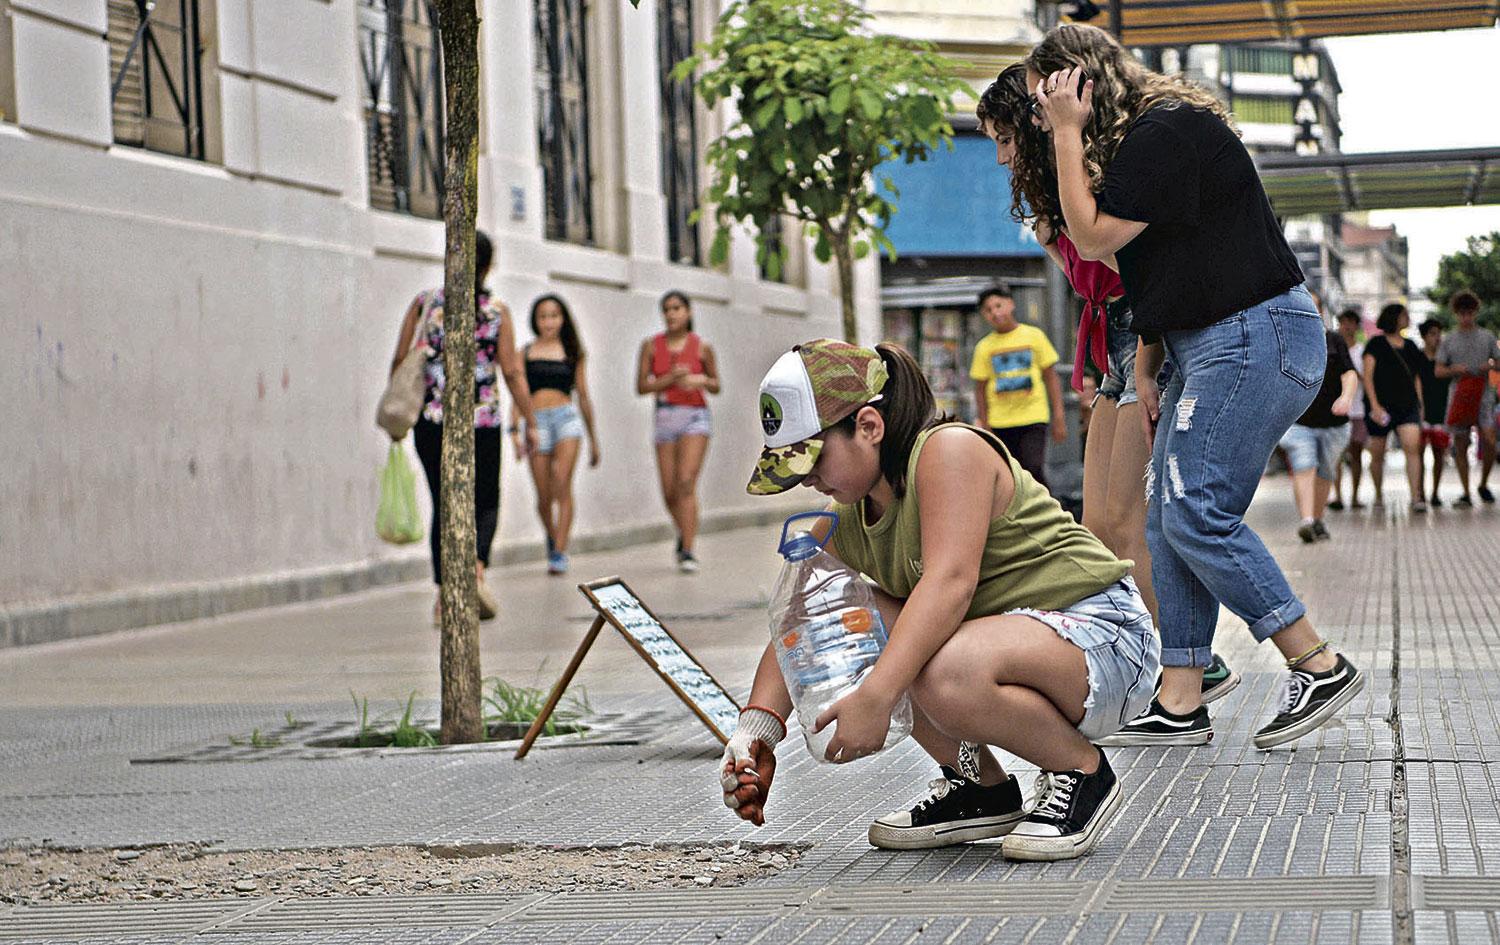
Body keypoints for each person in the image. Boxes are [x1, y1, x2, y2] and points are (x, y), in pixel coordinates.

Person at [1028, 23, 1363, 749]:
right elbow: (1169, 268)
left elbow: (1090, 239)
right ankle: (1181, 696)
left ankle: (1317, 660)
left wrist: (1063, 133)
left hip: (1250, 336)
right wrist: (1149, 365)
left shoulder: (1166, 132)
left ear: (1081, 87)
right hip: (1206, 343)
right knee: (1164, 517)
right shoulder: (1145, 151)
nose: (1038, 119)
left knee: (1194, 508)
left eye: (1044, 101)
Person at [725, 339, 1159, 861]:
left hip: (1103, 637)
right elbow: (799, 622)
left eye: (814, 457)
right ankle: (982, 790)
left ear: (868, 426)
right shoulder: (844, 517)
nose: (807, 477)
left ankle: (1081, 772)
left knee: (936, 667)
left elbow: (950, 583)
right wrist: (757, 735)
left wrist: (876, 695)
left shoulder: (948, 450)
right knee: (869, 623)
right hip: (1017, 647)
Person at [974, 61, 1238, 706]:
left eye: (1008, 140)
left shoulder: (1086, 180)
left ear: (1035, 128)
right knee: (1097, 528)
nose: (1004, 158)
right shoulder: (1052, 199)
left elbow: (1131, 270)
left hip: (1142, 338)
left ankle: (1188, 666)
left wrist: (1142, 360)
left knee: (1130, 523)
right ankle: (1163, 660)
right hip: (1114, 348)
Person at [388, 231, 538, 624]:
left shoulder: (426, 304)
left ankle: (444, 596)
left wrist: (399, 412)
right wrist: (531, 421)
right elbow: (512, 370)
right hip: (482, 419)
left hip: (432, 419)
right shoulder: (495, 311)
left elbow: (400, 361)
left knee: (444, 501)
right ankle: (475, 571)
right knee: (484, 499)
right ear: (488, 265)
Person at [509, 294, 600, 575]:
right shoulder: (524, 353)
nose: (549, 322)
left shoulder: (573, 352)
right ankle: (552, 535)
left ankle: (559, 551)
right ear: (535, 321)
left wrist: (594, 439)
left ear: (563, 319)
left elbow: (583, 395)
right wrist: (514, 429)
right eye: (543, 316)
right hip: (535, 422)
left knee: (562, 481)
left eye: (554, 315)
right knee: (543, 494)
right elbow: (518, 393)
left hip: (566, 419)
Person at [637, 291, 720, 573]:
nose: (672, 314)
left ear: (688, 312)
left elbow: (716, 384)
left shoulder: (701, 347)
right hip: (665, 415)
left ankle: (688, 548)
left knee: (686, 482)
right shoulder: (651, 346)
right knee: (669, 490)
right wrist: (670, 379)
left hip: (694, 417)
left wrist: (701, 380)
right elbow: (641, 387)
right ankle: (682, 530)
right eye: (667, 309)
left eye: (677, 308)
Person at [969, 286, 1067, 490]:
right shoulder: (984, 347)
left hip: (1033, 417)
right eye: (988, 310)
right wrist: (985, 424)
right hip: (1000, 421)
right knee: (1008, 475)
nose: (995, 312)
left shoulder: (1034, 336)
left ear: (1011, 304)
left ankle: (1048, 511)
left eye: (998, 305)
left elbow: (1051, 377)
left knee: (1033, 468)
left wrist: (1058, 416)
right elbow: (980, 389)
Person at [1277, 320, 1359, 543]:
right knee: (1304, 466)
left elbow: (1349, 373)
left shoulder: (1334, 339)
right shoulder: (1286, 339)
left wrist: (1346, 397)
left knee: (1325, 471)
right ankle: (1307, 521)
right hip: (1298, 422)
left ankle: (1317, 519)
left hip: (1334, 423)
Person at [1434, 289, 1500, 507]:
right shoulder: (1449, 340)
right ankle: (1465, 491)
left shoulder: (1487, 337)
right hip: (1459, 395)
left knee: (1490, 439)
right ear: (1456, 313)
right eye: (1462, 312)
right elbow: (1438, 370)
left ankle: (1483, 483)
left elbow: (1498, 362)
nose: (1466, 316)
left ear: (1475, 312)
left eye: (1469, 312)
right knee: (1461, 443)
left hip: (1483, 395)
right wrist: (1455, 369)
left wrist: (1489, 365)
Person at [1361, 303, 1427, 513]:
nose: (1407, 318)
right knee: (1377, 453)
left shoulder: (1410, 345)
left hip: (1407, 405)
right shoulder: (1375, 344)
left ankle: (1416, 496)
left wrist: (1420, 403)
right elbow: (1368, 377)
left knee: (1412, 448)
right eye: (1404, 315)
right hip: (1381, 406)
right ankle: (1378, 494)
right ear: (1394, 318)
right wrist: (1374, 405)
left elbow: (1416, 377)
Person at [1329, 309, 1368, 511]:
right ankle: (1337, 495)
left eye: (1351, 322)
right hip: (1338, 411)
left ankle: (1355, 495)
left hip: (1358, 409)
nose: (1347, 326)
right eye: (1343, 322)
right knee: (1336, 455)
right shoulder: (1332, 347)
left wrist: (1352, 373)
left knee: (1356, 453)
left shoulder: (1362, 352)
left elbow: (1367, 379)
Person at [1417, 318, 1452, 506]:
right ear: (1424, 336)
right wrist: (1419, 405)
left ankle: (1436, 492)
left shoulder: (1446, 358)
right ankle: (1420, 491)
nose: (1437, 337)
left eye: (1439, 333)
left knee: (1440, 453)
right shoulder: (1418, 357)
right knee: (1420, 453)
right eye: (1432, 333)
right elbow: (1416, 381)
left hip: (1441, 409)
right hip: (1423, 410)